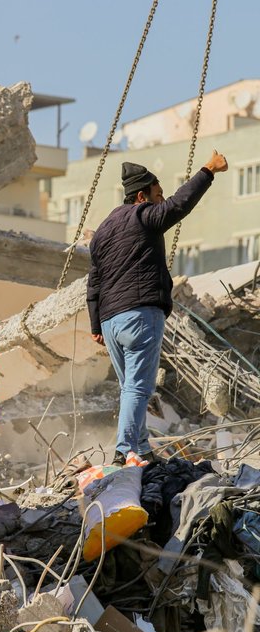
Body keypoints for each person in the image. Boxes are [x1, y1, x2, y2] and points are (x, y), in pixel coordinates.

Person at [87, 151, 228, 465]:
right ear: (141, 197)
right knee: (138, 387)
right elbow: (180, 204)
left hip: (110, 322)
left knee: (130, 389)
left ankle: (142, 449)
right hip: (140, 315)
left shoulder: (103, 231)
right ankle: (123, 453)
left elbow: (93, 283)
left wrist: (96, 325)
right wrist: (208, 170)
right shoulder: (142, 216)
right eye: (157, 196)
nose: (160, 201)